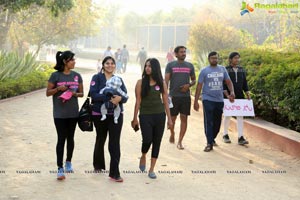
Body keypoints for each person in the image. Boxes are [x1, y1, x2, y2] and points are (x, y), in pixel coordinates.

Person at [131, 58, 172, 179]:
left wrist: (169, 119)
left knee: (157, 142)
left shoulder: (162, 83)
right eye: (146, 66)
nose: (147, 68)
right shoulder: (140, 82)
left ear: (155, 68)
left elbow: (165, 101)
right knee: (147, 140)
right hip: (145, 115)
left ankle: (152, 169)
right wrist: (134, 118)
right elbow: (138, 101)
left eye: (150, 66)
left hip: (159, 115)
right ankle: (143, 155)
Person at [90, 56, 128, 182]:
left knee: (114, 143)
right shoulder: (96, 78)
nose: (110, 65)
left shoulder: (118, 79)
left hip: (116, 115)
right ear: (103, 65)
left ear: (115, 65)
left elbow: (125, 96)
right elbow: (94, 94)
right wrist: (109, 97)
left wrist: (120, 99)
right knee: (100, 139)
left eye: (112, 63)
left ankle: (114, 173)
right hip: (99, 114)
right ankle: (98, 165)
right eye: (107, 63)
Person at [46, 50, 84, 180]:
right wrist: (58, 89)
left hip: (73, 113)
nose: (74, 62)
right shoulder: (55, 76)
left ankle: (68, 162)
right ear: (65, 61)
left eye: (74, 60)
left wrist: (74, 94)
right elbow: (48, 93)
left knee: (71, 138)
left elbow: (81, 94)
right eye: (72, 60)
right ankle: (59, 168)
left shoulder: (77, 76)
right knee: (61, 138)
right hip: (59, 114)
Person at [194, 51, 235, 152]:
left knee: (217, 122)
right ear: (209, 59)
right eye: (212, 58)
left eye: (216, 58)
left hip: (219, 99)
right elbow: (199, 86)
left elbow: (228, 82)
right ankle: (209, 143)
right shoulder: (204, 71)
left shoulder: (222, 69)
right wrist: (195, 101)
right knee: (209, 121)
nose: (214, 60)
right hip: (207, 99)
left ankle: (212, 138)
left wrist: (232, 92)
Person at [165, 46, 196, 150]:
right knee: (172, 120)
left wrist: (189, 85)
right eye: (181, 52)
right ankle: (172, 133)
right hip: (173, 96)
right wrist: (165, 95)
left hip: (185, 97)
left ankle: (180, 141)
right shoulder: (170, 65)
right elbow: (166, 81)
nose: (184, 53)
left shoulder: (190, 66)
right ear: (176, 54)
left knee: (184, 118)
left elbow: (193, 80)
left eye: (184, 52)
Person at [223, 52, 250, 145]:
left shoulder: (241, 70)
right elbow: (223, 84)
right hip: (228, 96)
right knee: (227, 116)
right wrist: (227, 95)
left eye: (238, 58)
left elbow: (244, 83)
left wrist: (247, 93)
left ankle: (240, 137)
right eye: (235, 58)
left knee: (240, 116)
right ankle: (225, 134)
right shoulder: (226, 69)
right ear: (230, 59)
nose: (237, 60)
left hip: (240, 96)